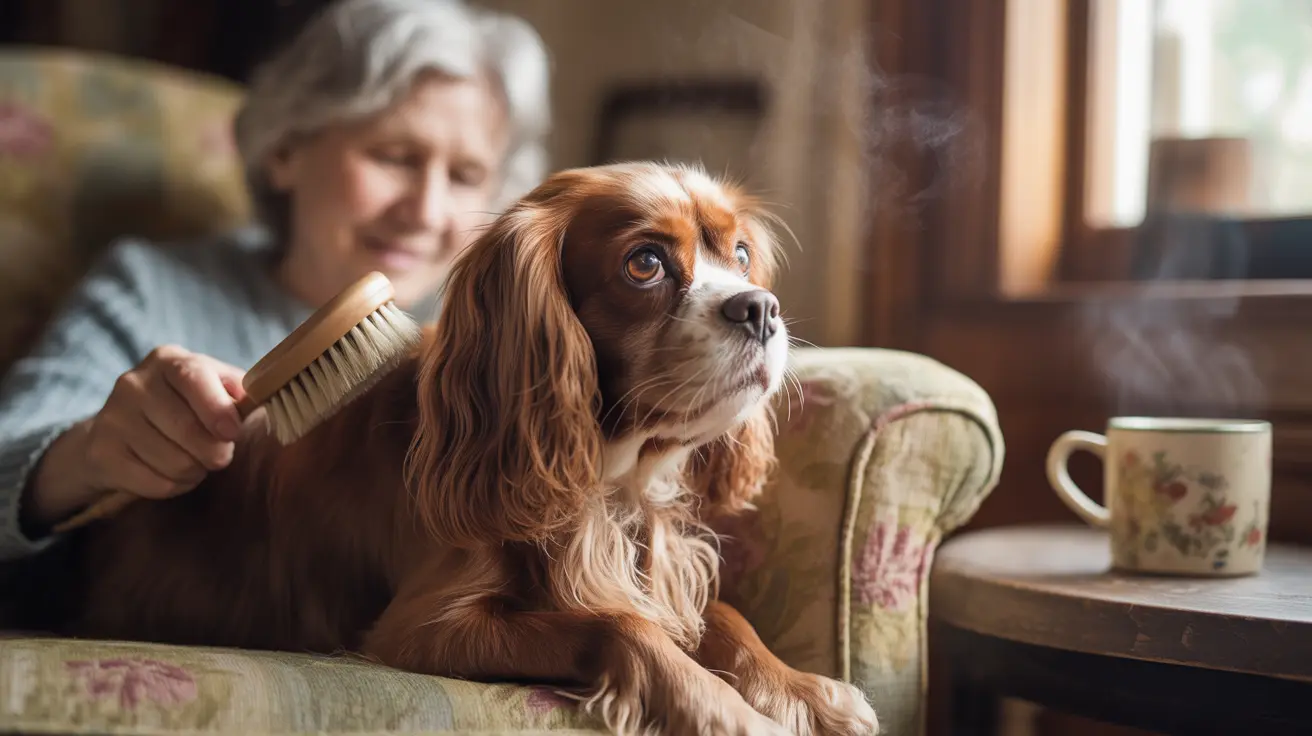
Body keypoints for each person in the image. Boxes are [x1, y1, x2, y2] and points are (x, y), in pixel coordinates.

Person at [0, 0, 551, 560]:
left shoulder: (493, 334)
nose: (427, 211)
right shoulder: (151, 288)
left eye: (465, 176)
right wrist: (91, 452)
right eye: (395, 157)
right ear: (287, 149)